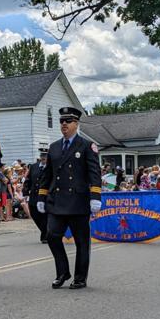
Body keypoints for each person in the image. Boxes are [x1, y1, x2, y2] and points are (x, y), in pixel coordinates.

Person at [36, 107, 101, 290]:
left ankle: (80, 278)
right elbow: (47, 174)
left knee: (81, 242)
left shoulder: (87, 146)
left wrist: (95, 196)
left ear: (76, 124)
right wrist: (42, 195)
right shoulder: (55, 147)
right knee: (52, 236)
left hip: (78, 201)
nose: (64, 124)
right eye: (61, 121)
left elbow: (94, 173)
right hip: (57, 201)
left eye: (68, 121)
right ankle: (63, 271)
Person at [23, 153, 48, 243]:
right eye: (42, 156)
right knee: (34, 214)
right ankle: (46, 232)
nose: (43, 158)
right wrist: (25, 192)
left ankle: (45, 236)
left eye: (45, 156)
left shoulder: (51, 166)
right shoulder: (34, 166)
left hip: (46, 196)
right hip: (34, 195)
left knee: (45, 216)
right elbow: (28, 180)